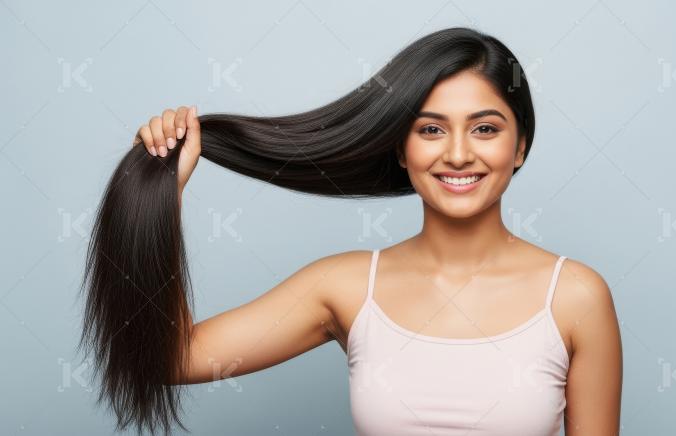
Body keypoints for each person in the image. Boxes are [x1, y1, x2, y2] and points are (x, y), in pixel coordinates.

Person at [81, 27, 622, 436]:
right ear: (400, 149)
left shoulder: (575, 297)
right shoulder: (344, 287)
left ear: (520, 145)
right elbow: (172, 357)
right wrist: (165, 191)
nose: (458, 152)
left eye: (485, 128)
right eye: (430, 129)